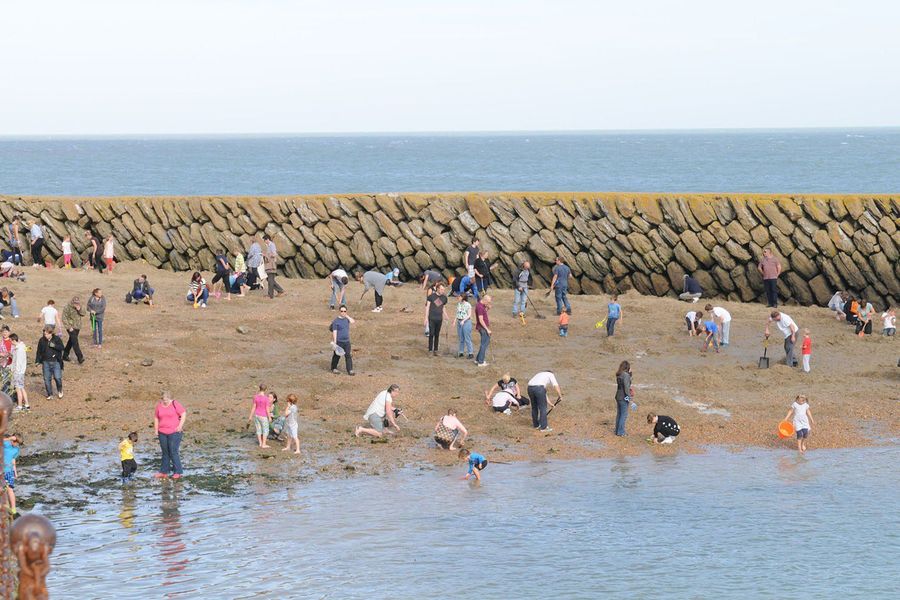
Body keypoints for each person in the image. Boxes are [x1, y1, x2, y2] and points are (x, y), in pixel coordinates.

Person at [154, 391, 186, 479]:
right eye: (163, 400)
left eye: (166, 400)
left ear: (170, 398)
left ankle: (178, 472)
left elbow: (183, 414)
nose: (165, 402)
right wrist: (156, 429)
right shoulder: (159, 406)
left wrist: (180, 426)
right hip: (162, 432)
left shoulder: (175, 404)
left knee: (173, 451)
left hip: (175, 432)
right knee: (165, 452)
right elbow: (156, 417)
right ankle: (164, 472)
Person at [35, 326, 64, 400]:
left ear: (51, 333)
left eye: (47, 334)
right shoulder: (41, 340)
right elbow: (38, 351)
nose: (45, 335)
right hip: (45, 362)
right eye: (44, 334)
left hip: (56, 362)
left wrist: (54, 346)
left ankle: (60, 390)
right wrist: (37, 361)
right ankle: (50, 394)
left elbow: (62, 348)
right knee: (47, 379)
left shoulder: (57, 339)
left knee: (57, 378)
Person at [425, 282, 449, 356]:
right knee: (431, 334)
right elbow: (427, 307)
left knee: (437, 334)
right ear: (437, 289)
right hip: (432, 318)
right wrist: (426, 318)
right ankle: (430, 350)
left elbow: (443, 307)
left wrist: (446, 315)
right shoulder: (431, 296)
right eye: (441, 289)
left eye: (443, 290)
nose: (443, 291)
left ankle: (436, 350)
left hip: (439, 318)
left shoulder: (444, 298)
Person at [330, 306, 355, 375]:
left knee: (348, 355)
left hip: (347, 341)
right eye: (341, 311)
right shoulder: (336, 321)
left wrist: (347, 316)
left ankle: (350, 370)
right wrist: (335, 342)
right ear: (339, 312)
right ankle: (334, 368)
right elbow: (334, 331)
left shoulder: (347, 319)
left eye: (344, 311)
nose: (343, 312)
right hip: (339, 341)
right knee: (337, 355)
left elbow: (353, 321)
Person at [61, 296, 86, 365]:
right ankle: (80, 357)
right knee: (75, 342)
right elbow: (64, 318)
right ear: (72, 302)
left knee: (71, 341)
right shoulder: (67, 307)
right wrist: (69, 327)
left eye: (77, 303)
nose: (76, 304)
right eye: (75, 303)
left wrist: (79, 309)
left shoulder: (80, 306)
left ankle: (65, 355)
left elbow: (83, 314)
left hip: (77, 327)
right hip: (70, 327)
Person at [3, 433, 22, 518]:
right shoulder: (6, 444)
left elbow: (13, 460)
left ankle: (13, 509)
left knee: (10, 489)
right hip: (1, 471)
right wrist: (10, 438)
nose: (17, 445)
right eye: (17, 442)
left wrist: (15, 472)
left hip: (9, 471)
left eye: (19, 444)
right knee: (2, 489)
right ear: (13, 440)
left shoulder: (17, 449)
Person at [249, 384, 273, 448]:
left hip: (256, 415)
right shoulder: (266, 398)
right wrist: (270, 417)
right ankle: (264, 444)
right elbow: (267, 409)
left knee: (258, 429)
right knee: (265, 429)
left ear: (259, 388)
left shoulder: (255, 397)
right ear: (265, 389)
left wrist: (250, 416)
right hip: (263, 416)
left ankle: (260, 443)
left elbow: (253, 407)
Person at [614, 361, 634, 436]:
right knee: (624, 415)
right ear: (627, 367)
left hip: (618, 396)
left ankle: (617, 430)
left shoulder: (619, 374)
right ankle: (621, 432)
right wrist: (630, 397)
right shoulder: (626, 375)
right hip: (623, 397)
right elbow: (626, 387)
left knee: (619, 414)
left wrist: (630, 374)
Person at [10, 334, 28, 411]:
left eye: (11, 341)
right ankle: (27, 404)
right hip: (21, 372)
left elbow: (18, 362)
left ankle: (20, 406)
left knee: (18, 389)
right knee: (22, 388)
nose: (11, 343)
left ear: (14, 340)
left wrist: (15, 372)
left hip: (18, 372)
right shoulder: (20, 347)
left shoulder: (19, 349)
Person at [263, 234, 284, 299]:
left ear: (267, 239)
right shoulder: (269, 245)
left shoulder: (272, 245)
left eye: (264, 240)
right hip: (269, 265)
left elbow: (274, 254)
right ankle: (279, 290)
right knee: (269, 279)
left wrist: (266, 255)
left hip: (271, 265)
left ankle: (271, 294)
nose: (264, 242)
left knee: (270, 280)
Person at [454, 293, 474, 359]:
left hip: (466, 322)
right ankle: (461, 352)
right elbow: (457, 313)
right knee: (461, 338)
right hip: (459, 321)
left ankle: (470, 353)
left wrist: (463, 320)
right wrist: (454, 321)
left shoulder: (468, 305)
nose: (458, 297)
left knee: (467, 338)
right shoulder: (459, 304)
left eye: (459, 296)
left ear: (463, 297)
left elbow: (469, 315)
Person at [474, 294, 492, 367]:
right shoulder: (480, 307)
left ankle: (478, 359)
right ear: (485, 300)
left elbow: (484, 314)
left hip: (482, 327)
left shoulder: (481, 306)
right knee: (484, 344)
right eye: (488, 302)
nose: (488, 304)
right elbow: (481, 320)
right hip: (482, 328)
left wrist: (487, 309)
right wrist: (487, 329)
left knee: (483, 344)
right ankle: (480, 362)